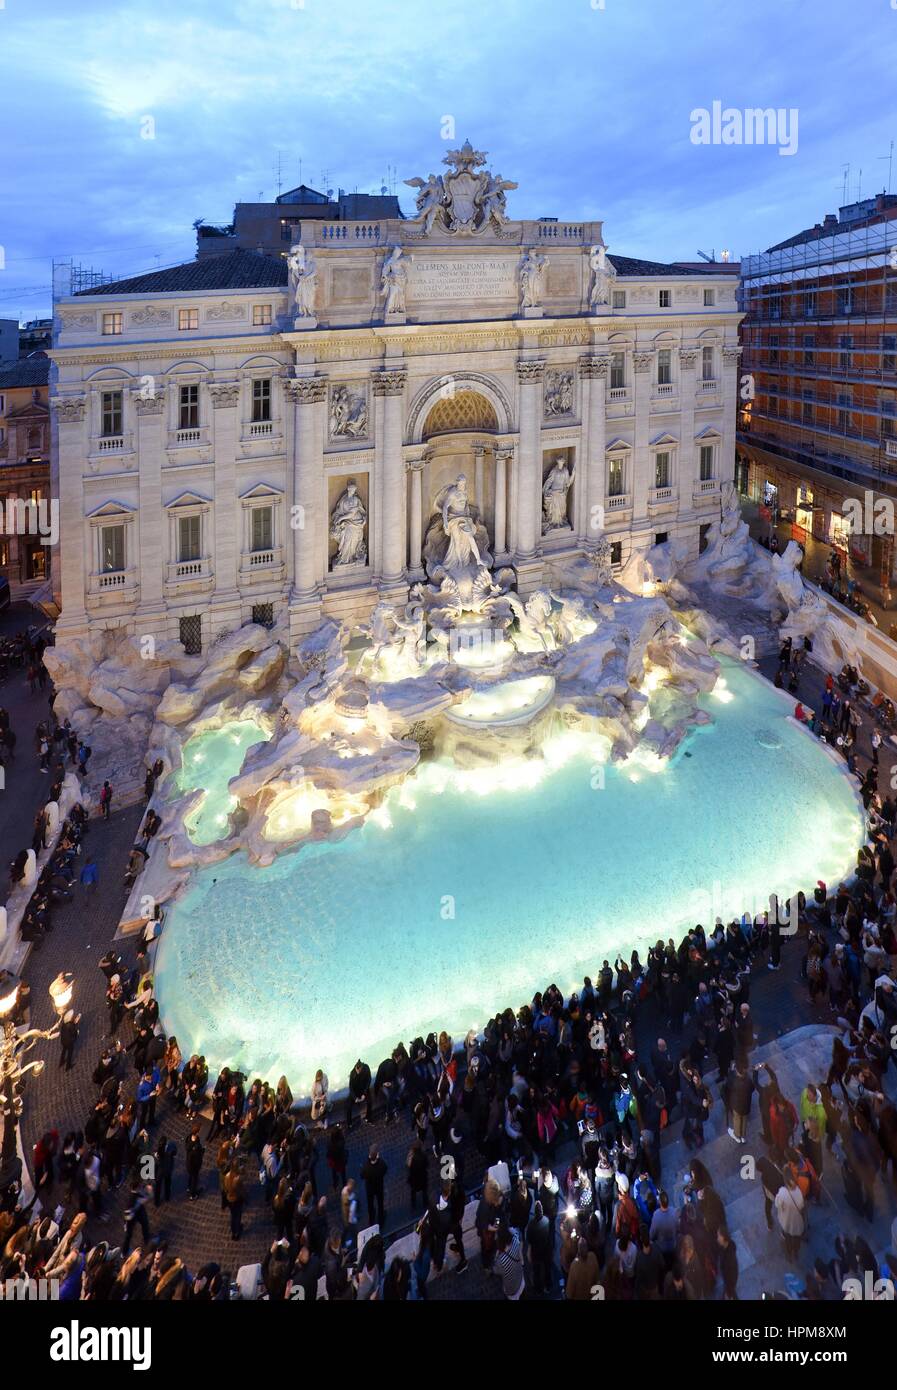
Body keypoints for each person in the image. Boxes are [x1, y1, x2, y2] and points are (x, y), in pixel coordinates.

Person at [774, 1169, 805, 1261]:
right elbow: (801, 1206)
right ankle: (796, 1252)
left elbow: (777, 1204)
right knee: (797, 1239)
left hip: (787, 1220)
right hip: (797, 1222)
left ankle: (789, 1253)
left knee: (788, 1238)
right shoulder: (798, 1191)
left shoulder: (782, 1192)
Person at [360, 1144, 388, 1227]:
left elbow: (362, 1175)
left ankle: (371, 1219)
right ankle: (381, 1219)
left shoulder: (366, 1167)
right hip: (379, 1187)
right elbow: (385, 1169)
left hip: (370, 1189)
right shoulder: (381, 1164)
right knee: (380, 1203)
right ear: (377, 1156)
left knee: (370, 1204)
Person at [184, 1122, 204, 1200]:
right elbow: (197, 1157)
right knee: (194, 1179)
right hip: (193, 1165)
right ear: (197, 1132)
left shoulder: (189, 1137)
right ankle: (192, 1194)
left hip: (189, 1162)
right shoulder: (196, 1145)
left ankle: (189, 1188)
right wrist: (202, 1151)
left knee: (190, 1177)